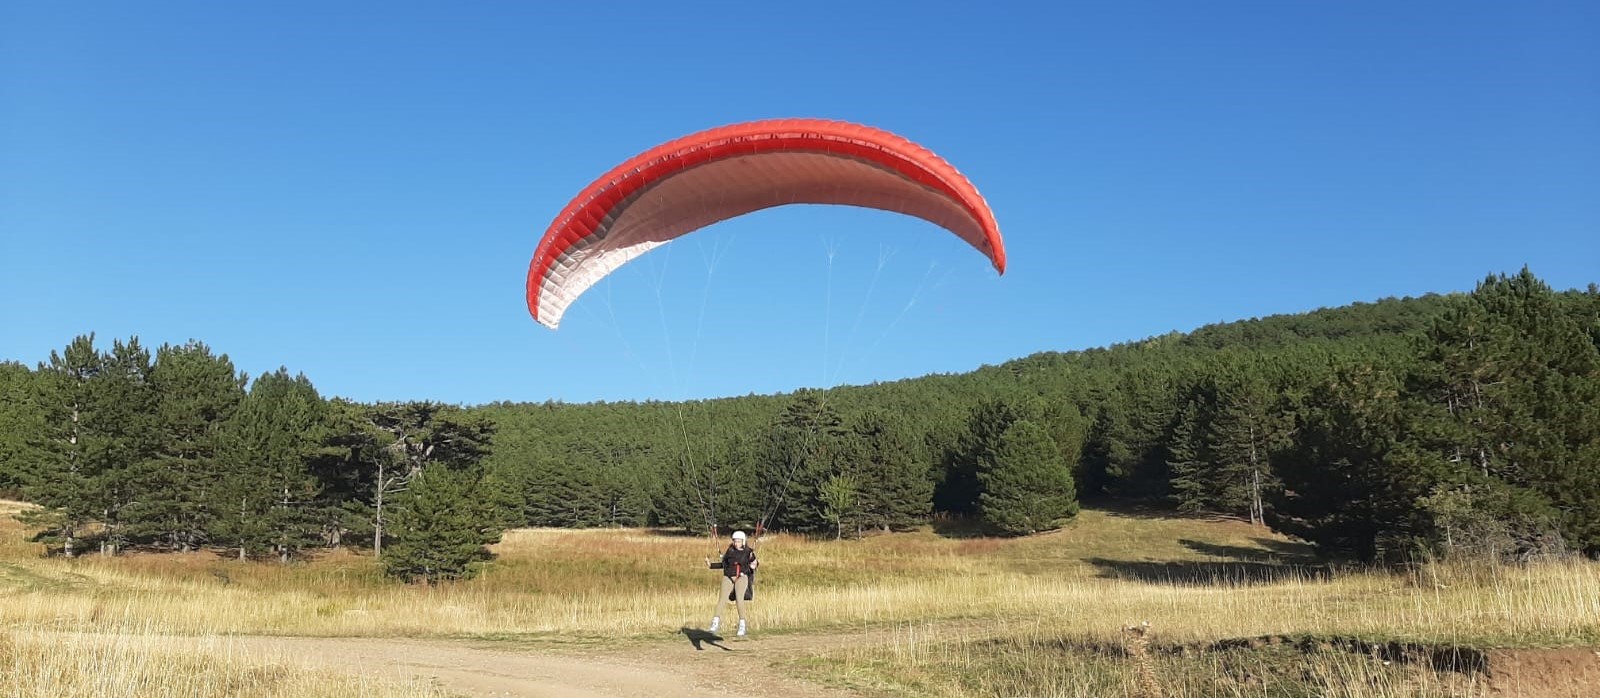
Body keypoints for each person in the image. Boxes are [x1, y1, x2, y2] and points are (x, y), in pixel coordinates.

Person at [705, 529, 757, 636]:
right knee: (722, 599)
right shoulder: (730, 551)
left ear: (743, 541)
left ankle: (742, 624)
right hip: (729, 576)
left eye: (738, 541)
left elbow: (754, 563)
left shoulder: (749, 552)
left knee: (739, 599)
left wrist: (754, 565)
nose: (736, 543)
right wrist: (711, 565)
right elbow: (724, 564)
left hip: (741, 577)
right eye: (735, 541)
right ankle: (715, 623)